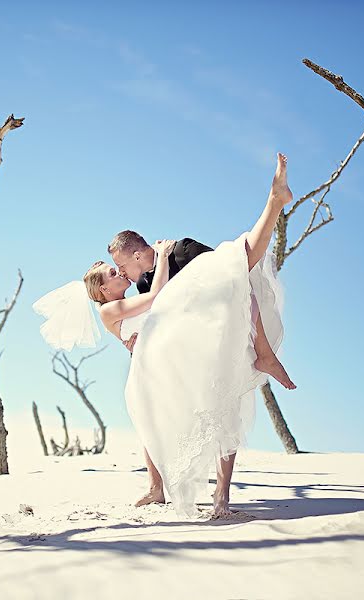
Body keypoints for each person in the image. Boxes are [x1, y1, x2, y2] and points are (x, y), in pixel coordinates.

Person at [79, 153, 295, 517]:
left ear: (134, 254)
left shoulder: (183, 250)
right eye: (114, 273)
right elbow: (152, 308)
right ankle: (159, 487)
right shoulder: (144, 285)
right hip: (176, 366)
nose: (122, 274)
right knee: (167, 424)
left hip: (213, 347)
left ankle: (221, 498)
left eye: (120, 266)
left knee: (238, 264)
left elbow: (233, 279)